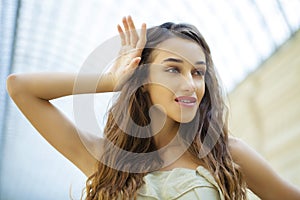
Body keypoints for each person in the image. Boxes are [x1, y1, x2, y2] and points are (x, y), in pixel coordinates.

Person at [6, 16, 300, 200]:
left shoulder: (225, 154)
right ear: (144, 80)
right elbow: (21, 87)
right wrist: (113, 80)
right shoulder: (107, 161)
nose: (190, 84)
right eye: (173, 70)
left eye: (198, 73)